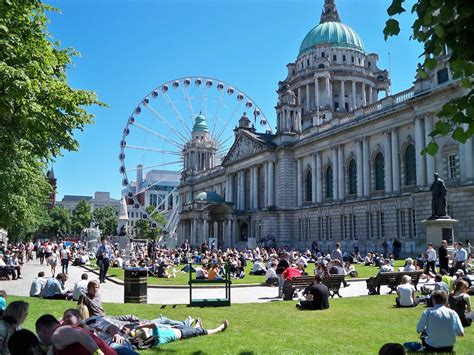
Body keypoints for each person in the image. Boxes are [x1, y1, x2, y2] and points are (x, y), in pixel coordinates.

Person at [62, 309, 137, 355]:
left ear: (79, 317)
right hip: (98, 350)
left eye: (68, 316)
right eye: (64, 318)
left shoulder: (90, 321)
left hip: (111, 342)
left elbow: (111, 327)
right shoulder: (65, 333)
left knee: (116, 348)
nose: (66, 320)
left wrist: (116, 334)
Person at [35, 314, 117, 355]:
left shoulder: (57, 334)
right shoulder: (57, 340)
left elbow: (80, 334)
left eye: (38, 334)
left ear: (43, 331)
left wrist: (98, 354)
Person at [132, 318, 229, 348]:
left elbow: (152, 327)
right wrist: (139, 327)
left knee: (192, 329)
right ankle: (220, 329)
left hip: (179, 329)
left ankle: (197, 325)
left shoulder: (155, 338)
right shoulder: (157, 339)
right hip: (183, 333)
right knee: (202, 332)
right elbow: (153, 324)